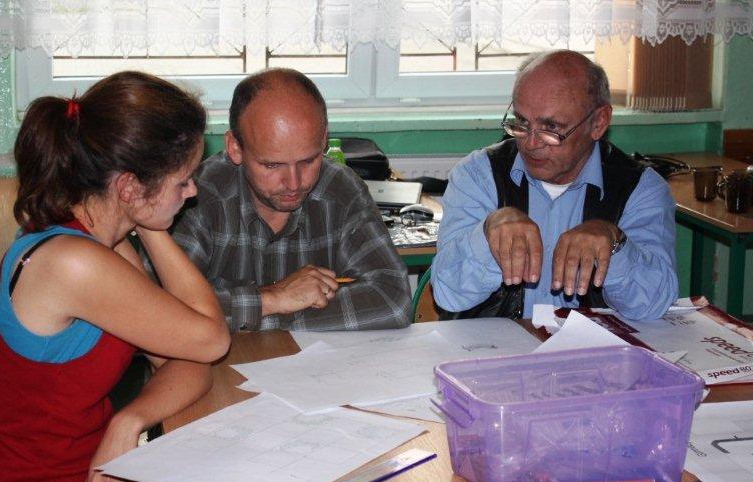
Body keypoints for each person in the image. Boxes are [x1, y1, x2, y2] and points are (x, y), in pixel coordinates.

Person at [0, 72, 231, 482]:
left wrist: (130, 419)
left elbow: (189, 361)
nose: (193, 192)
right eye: (183, 180)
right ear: (128, 187)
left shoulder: (101, 241)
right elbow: (212, 339)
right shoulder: (73, 264)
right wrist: (150, 222)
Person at [432, 50, 678, 321]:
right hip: (493, 344)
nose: (530, 143)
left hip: (591, 345)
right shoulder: (480, 175)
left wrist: (614, 243)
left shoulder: (639, 188)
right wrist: (488, 233)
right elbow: (448, 295)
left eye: (551, 128)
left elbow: (652, 306)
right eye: (522, 122)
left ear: (598, 123)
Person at [171, 68, 411, 331]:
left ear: (324, 139)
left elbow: (393, 301)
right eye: (272, 165)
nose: (294, 183)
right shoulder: (195, 197)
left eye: (308, 161)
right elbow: (165, 312)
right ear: (235, 148)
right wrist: (274, 299)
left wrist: (257, 314)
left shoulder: (340, 189)